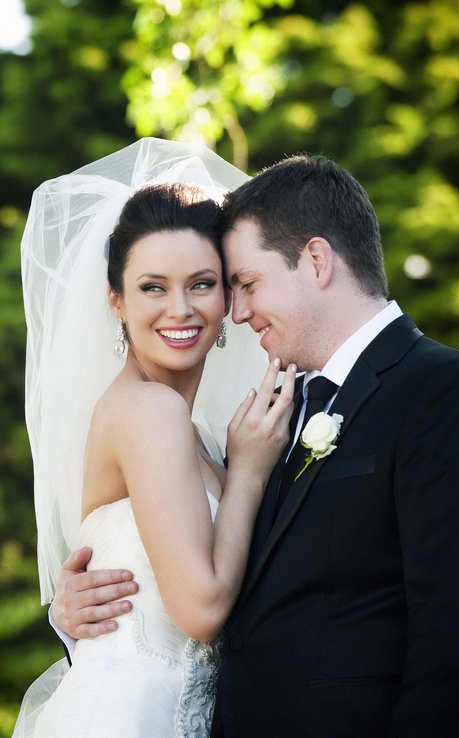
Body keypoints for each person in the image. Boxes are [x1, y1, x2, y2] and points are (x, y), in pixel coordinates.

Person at [51, 154, 459, 737]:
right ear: (117, 301)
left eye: (232, 284)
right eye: (154, 286)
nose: (234, 310)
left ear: (316, 259)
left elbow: (458, 630)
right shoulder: (243, 430)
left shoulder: (441, 390)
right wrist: (73, 612)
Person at [13, 139, 296, 738]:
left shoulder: (184, 430)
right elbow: (200, 609)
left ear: (227, 296)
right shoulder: (149, 412)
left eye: (201, 283)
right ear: (115, 300)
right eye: (151, 287)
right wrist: (247, 472)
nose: (180, 309)